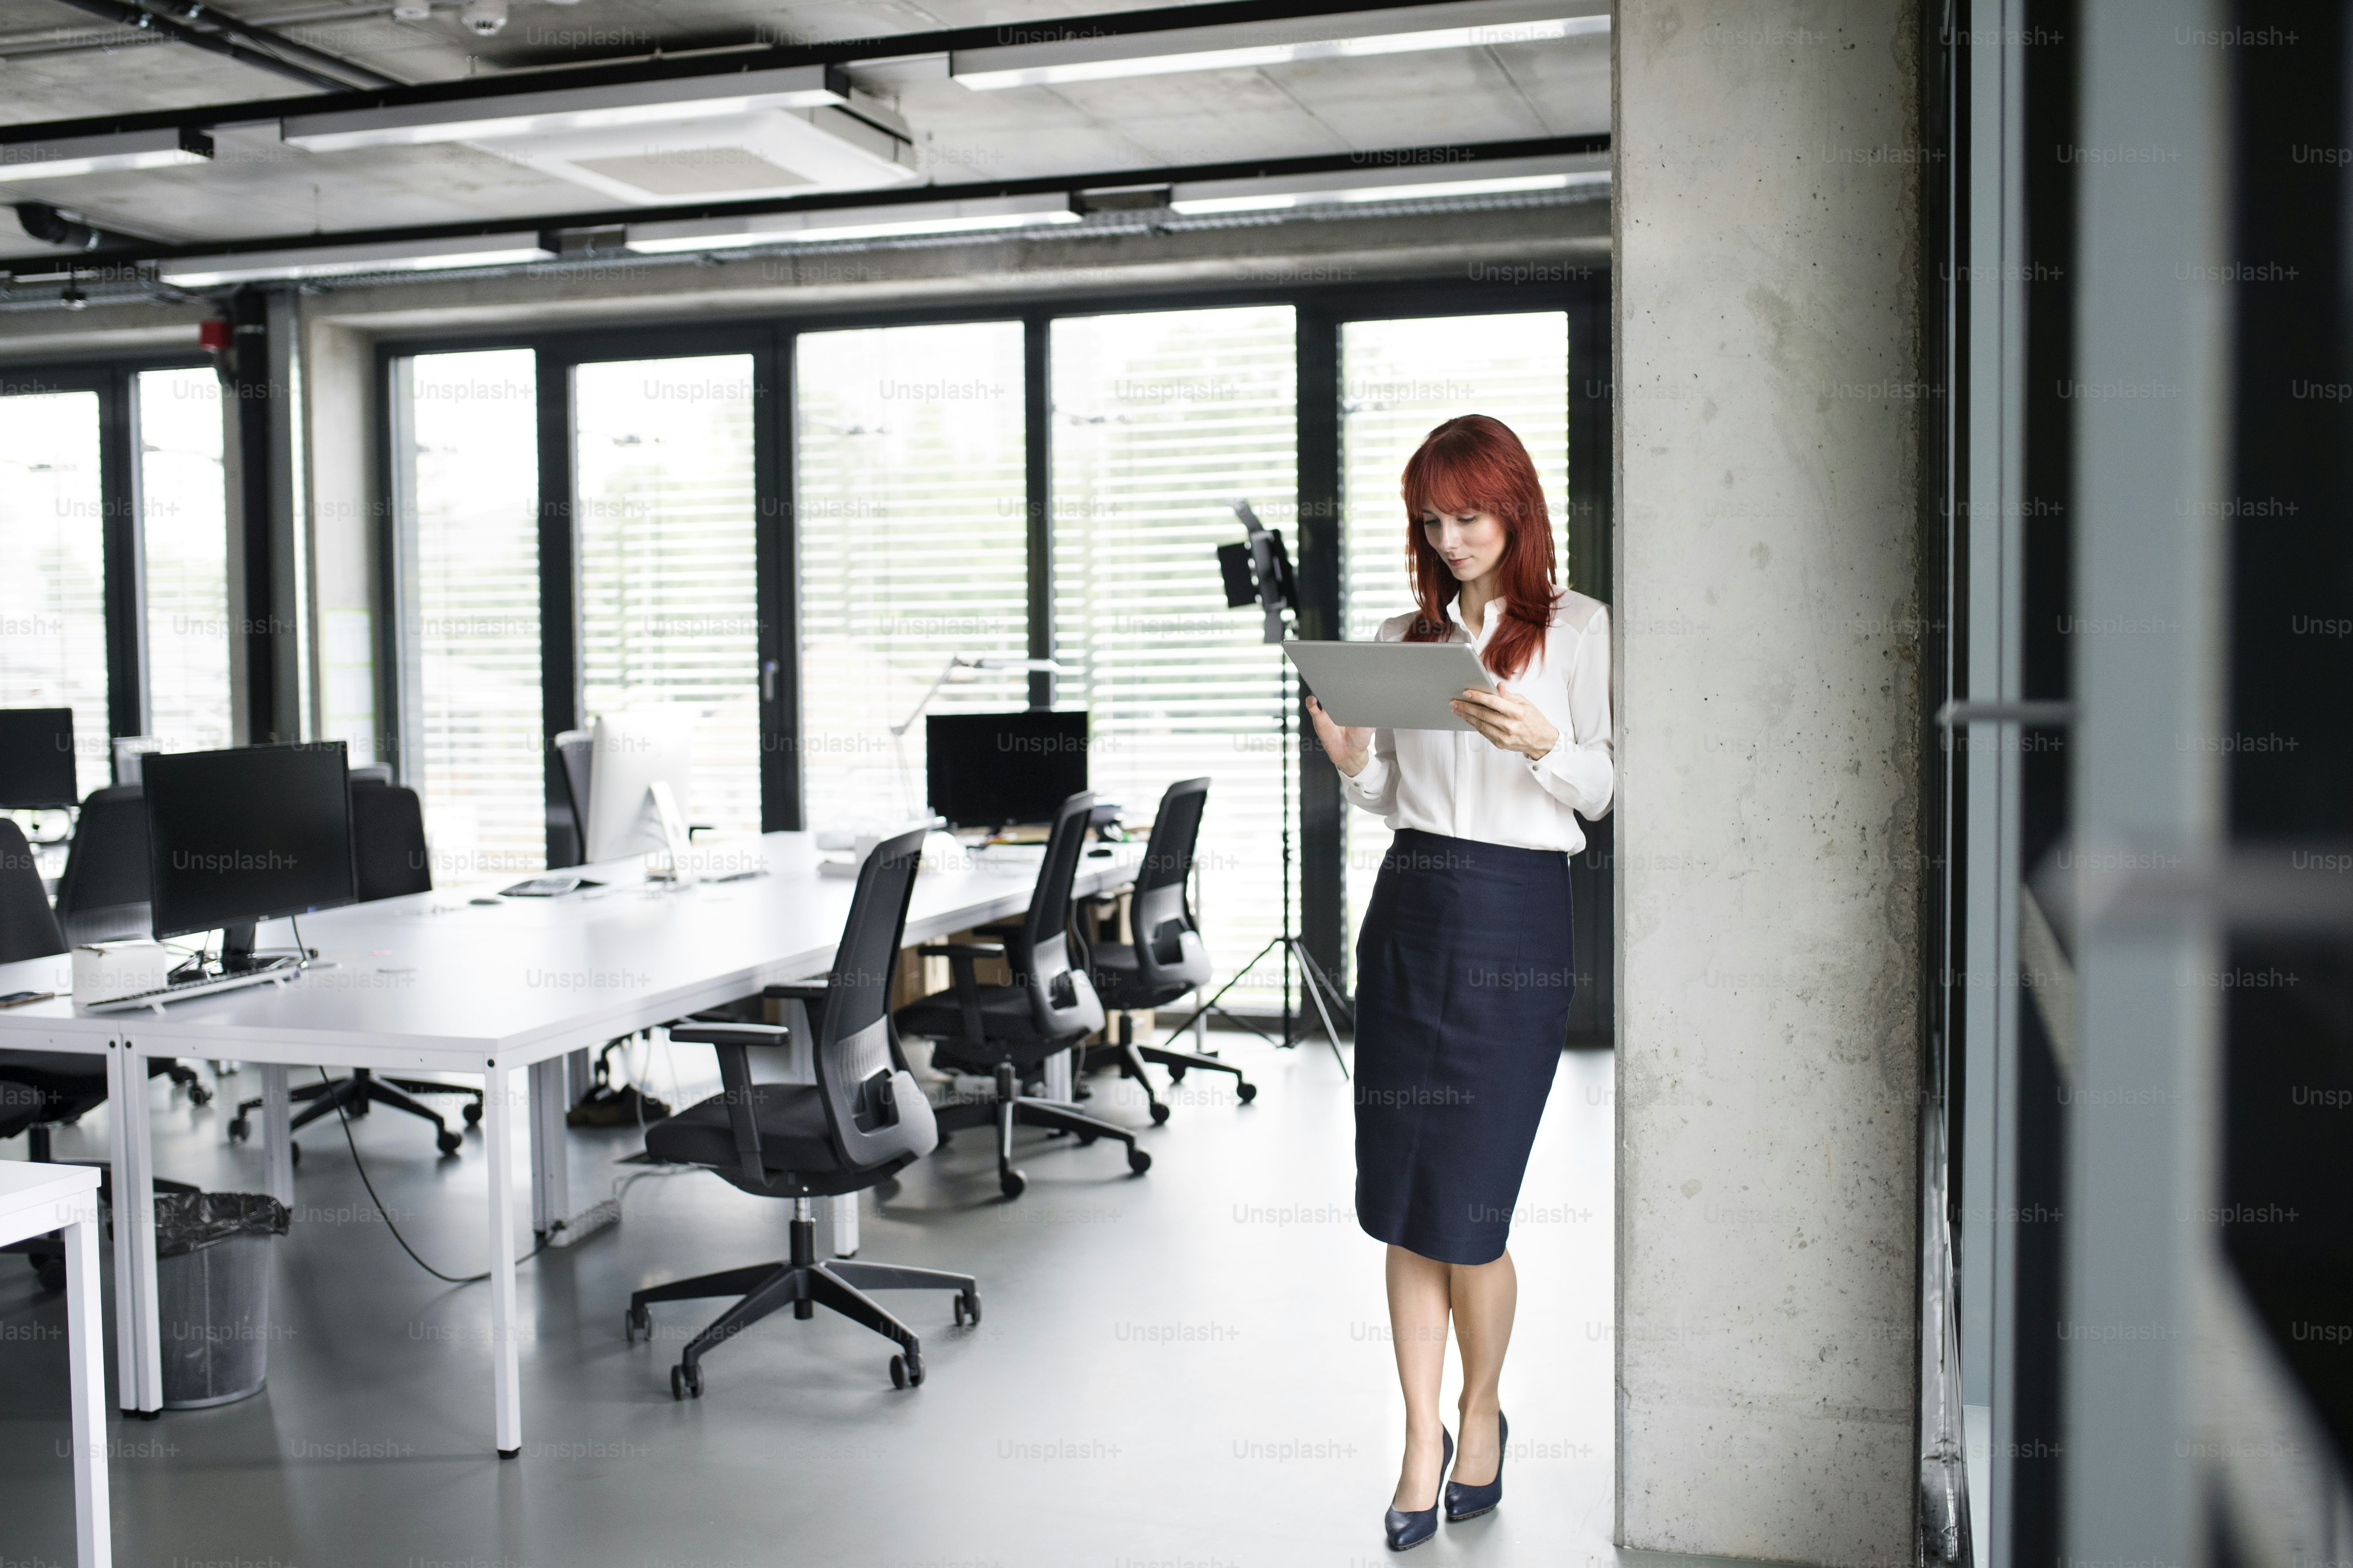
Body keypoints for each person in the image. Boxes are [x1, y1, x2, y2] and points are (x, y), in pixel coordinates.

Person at [1306, 413, 1613, 1552]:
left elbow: (1602, 790)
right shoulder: (1406, 637)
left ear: (1516, 510)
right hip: (1412, 912)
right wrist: (1353, 765)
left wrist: (1540, 741)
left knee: (1472, 1213)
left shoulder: (1578, 630)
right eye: (1432, 521)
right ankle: (1417, 1439)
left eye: (1469, 516)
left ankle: (1481, 1414)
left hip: (1518, 918)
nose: (1450, 539)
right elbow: (1392, 797)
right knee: (1405, 1204)